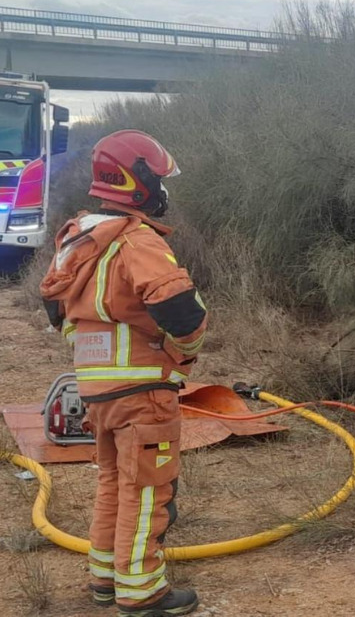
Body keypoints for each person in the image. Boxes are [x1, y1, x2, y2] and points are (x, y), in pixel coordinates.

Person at [40, 130, 206, 617]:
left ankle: (106, 579)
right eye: (159, 179)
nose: (164, 190)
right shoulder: (135, 240)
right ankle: (141, 592)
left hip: (96, 392)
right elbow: (184, 312)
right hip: (144, 392)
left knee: (113, 482)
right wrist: (181, 357)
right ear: (138, 182)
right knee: (147, 489)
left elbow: (57, 314)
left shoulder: (76, 239)